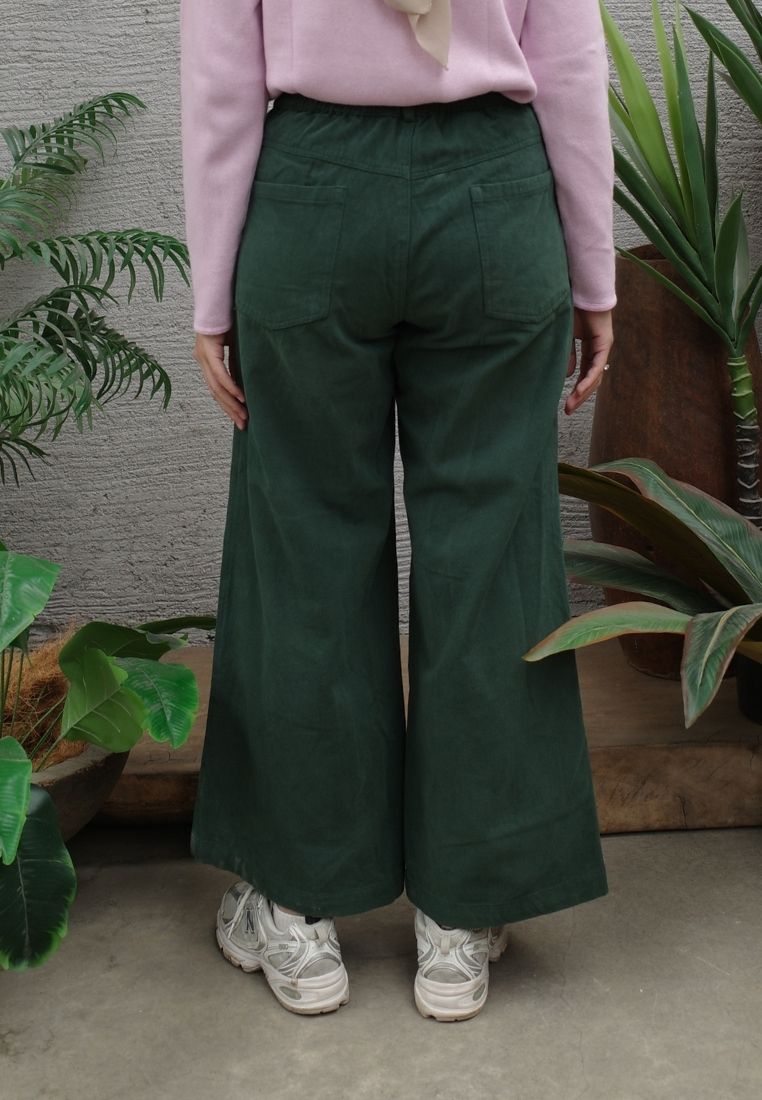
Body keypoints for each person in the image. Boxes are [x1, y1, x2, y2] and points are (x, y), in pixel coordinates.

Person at [179, 0, 616, 1023]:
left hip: (313, 193)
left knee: (305, 549)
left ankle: (298, 904)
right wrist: (595, 271)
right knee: (490, 554)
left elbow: (219, 80)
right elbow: (569, 58)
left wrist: (212, 293)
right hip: (493, 194)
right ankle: (460, 915)